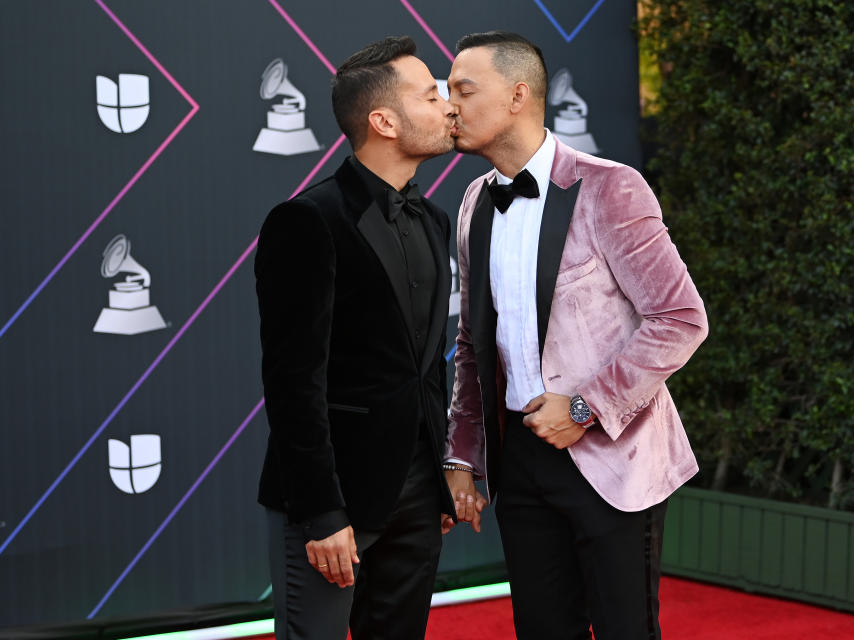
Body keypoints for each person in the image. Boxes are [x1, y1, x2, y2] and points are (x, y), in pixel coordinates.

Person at [443, 31, 709, 639]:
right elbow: (471, 345)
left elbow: (680, 318)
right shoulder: (472, 203)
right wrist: (463, 453)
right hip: (520, 462)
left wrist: (586, 408)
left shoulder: (610, 187)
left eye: (464, 89)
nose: (449, 105)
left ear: (517, 96)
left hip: (614, 456)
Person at [255, 35, 459, 640]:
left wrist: (444, 470)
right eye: (431, 95)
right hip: (333, 498)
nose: (449, 107)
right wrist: (321, 512)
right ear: (384, 121)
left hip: (419, 491)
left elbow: (427, 365)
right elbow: (293, 380)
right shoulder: (308, 220)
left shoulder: (435, 218)